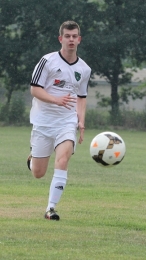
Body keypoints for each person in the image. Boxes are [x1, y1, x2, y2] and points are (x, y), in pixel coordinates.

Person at [27, 21, 91, 221]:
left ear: (79, 39)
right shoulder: (47, 61)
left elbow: (81, 97)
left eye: (74, 36)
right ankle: (32, 158)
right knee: (38, 173)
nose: (71, 39)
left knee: (62, 160)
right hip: (43, 122)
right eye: (67, 36)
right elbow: (34, 89)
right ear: (60, 39)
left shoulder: (84, 69)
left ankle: (50, 209)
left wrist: (80, 121)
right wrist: (56, 100)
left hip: (66, 122)